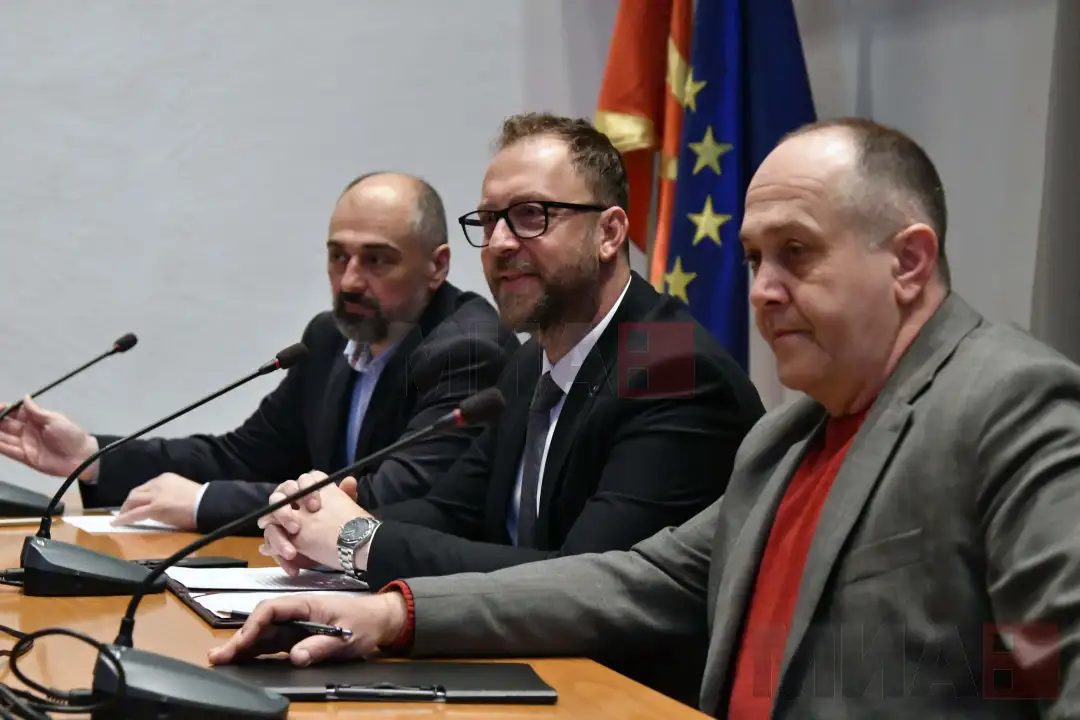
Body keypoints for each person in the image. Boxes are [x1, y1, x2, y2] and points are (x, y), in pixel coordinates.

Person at [211, 118, 1080, 719]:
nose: (764, 290)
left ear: (909, 262)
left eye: (797, 253)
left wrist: (360, 545)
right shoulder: (787, 441)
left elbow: (1061, 667)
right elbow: (632, 580)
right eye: (753, 259)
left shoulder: (1007, 402)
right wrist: (392, 613)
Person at [254, 112, 763, 598]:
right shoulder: (530, 361)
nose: (498, 243)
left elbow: (584, 583)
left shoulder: (674, 370)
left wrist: (359, 542)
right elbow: (452, 511)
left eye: (529, 216)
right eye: (489, 220)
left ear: (609, 233)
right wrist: (320, 523)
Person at [0, 172, 518, 532]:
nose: (349, 281)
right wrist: (92, 457)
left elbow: (389, 496)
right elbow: (243, 456)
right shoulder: (330, 339)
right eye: (338, 256)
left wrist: (205, 503)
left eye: (377, 260)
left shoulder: (466, 350)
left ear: (437, 266)